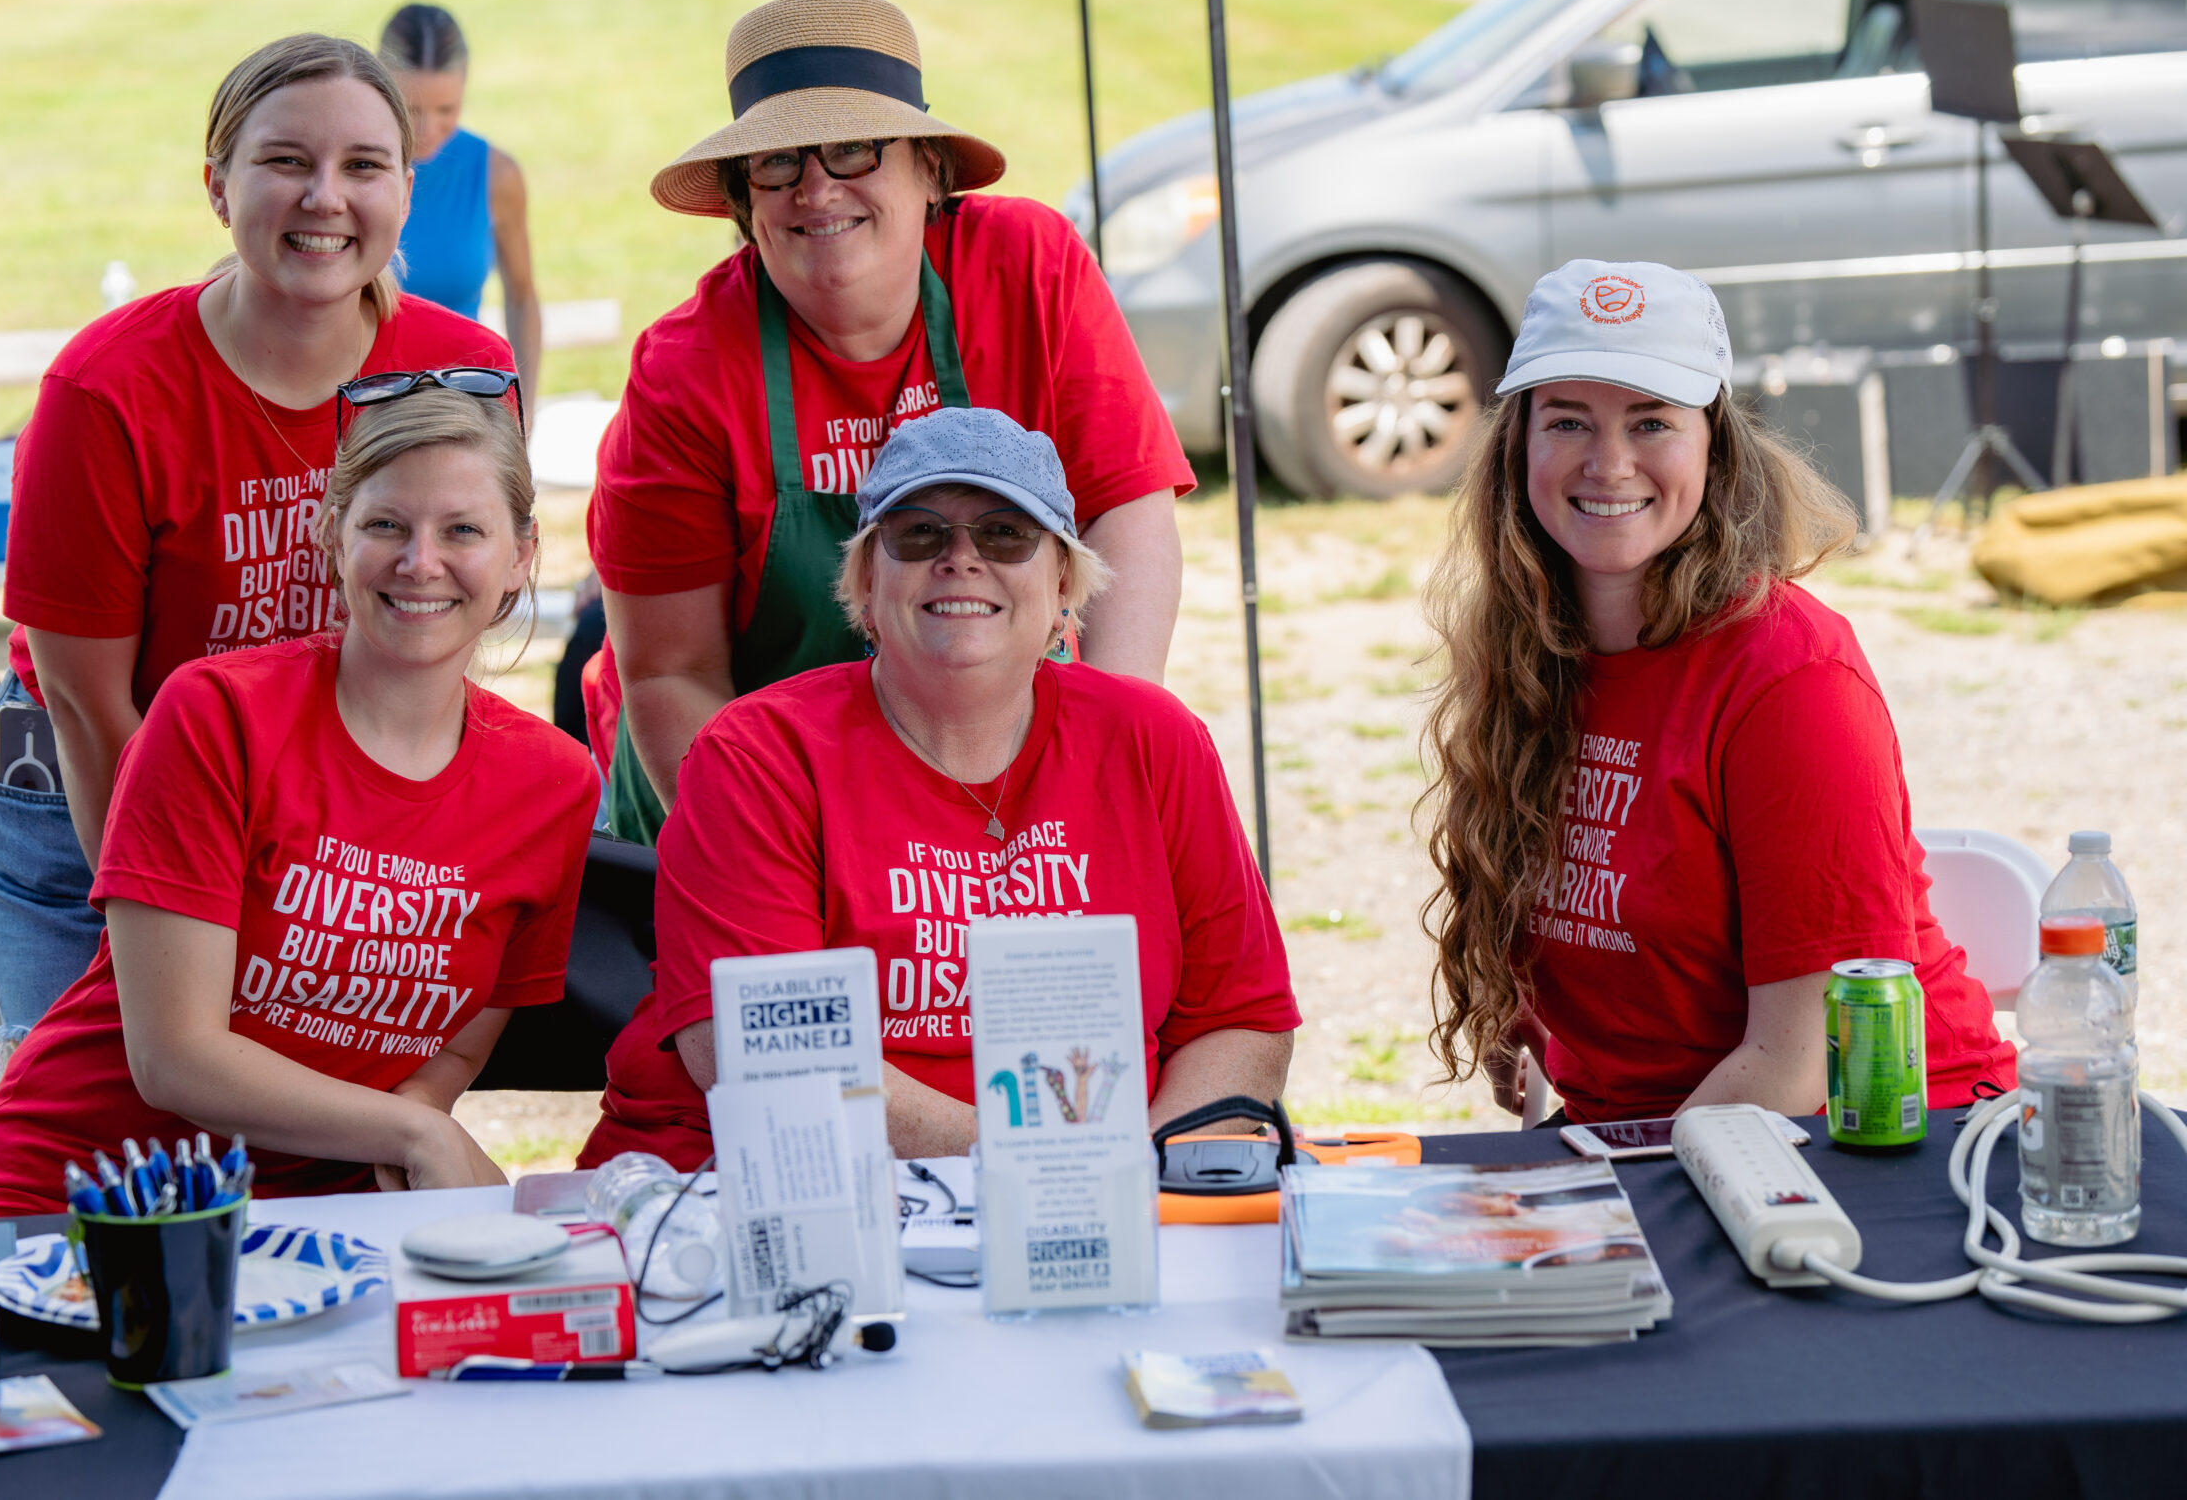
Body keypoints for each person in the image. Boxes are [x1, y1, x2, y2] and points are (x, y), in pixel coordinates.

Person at [0, 33, 517, 1051]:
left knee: (305, 1131)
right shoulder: (107, 391)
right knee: (101, 1131)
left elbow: (447, 632)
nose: (324, 197)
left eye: (362, 166)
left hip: (318, 788)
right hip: (96, 780)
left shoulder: (462, 373)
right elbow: (91, 709)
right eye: (284, 162)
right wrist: (185, 925)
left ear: (407, 186)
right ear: (218, 186)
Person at [581, 409, 1297, 1169]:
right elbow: (764, 1054)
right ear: (864, 583)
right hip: (773, 1191)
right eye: (918, 533)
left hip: (1098, 1204)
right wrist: (1052, 1167)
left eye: (1005, 533)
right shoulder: (760, 753)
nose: (961, 558)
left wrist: (1133, 1176)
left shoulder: (1155, 740)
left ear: (1063, 588)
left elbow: (1243, 1022)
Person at [588, 0, 1191, 847]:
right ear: (741, 200)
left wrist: (1109, 754)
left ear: (930, 169)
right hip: (748, 793)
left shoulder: (1028, 267)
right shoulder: (687, 369)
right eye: (778, 162)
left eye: (852, 148)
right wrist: (775, 863)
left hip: (1004, 773)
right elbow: (674, 673)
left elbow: (1127, 508)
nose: (816, 188)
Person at [1420, 259, 2013, 1126]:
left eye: (1652, 421)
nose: (1609, 462)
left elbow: (1803, 1056)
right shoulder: (1528, 648)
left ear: (1714, 444)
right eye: (1570, 420)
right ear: (1520, 446)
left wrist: (1613, 1184)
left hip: (1877, 1140)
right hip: (1662, 1142)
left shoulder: (1791, 676)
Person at [0, 383, 595, 1214]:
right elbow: (175, 1059)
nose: (420, 561)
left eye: (463, 530)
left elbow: (454, 1050)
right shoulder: (218, 715)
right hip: (83, 1200)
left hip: (327, 1221)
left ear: (522, 554)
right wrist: (420, 1136)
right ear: (330, 533)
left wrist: (416, 1118)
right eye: (385, 524)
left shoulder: (553, 784)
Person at [378, 3, 540, 404]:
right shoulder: (347, 169)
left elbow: (521, 297)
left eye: (446, 109)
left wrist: (524, 410)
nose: (426, 130)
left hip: (463, 407)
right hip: (363, 407)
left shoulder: (496, 174)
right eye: (410, 108)